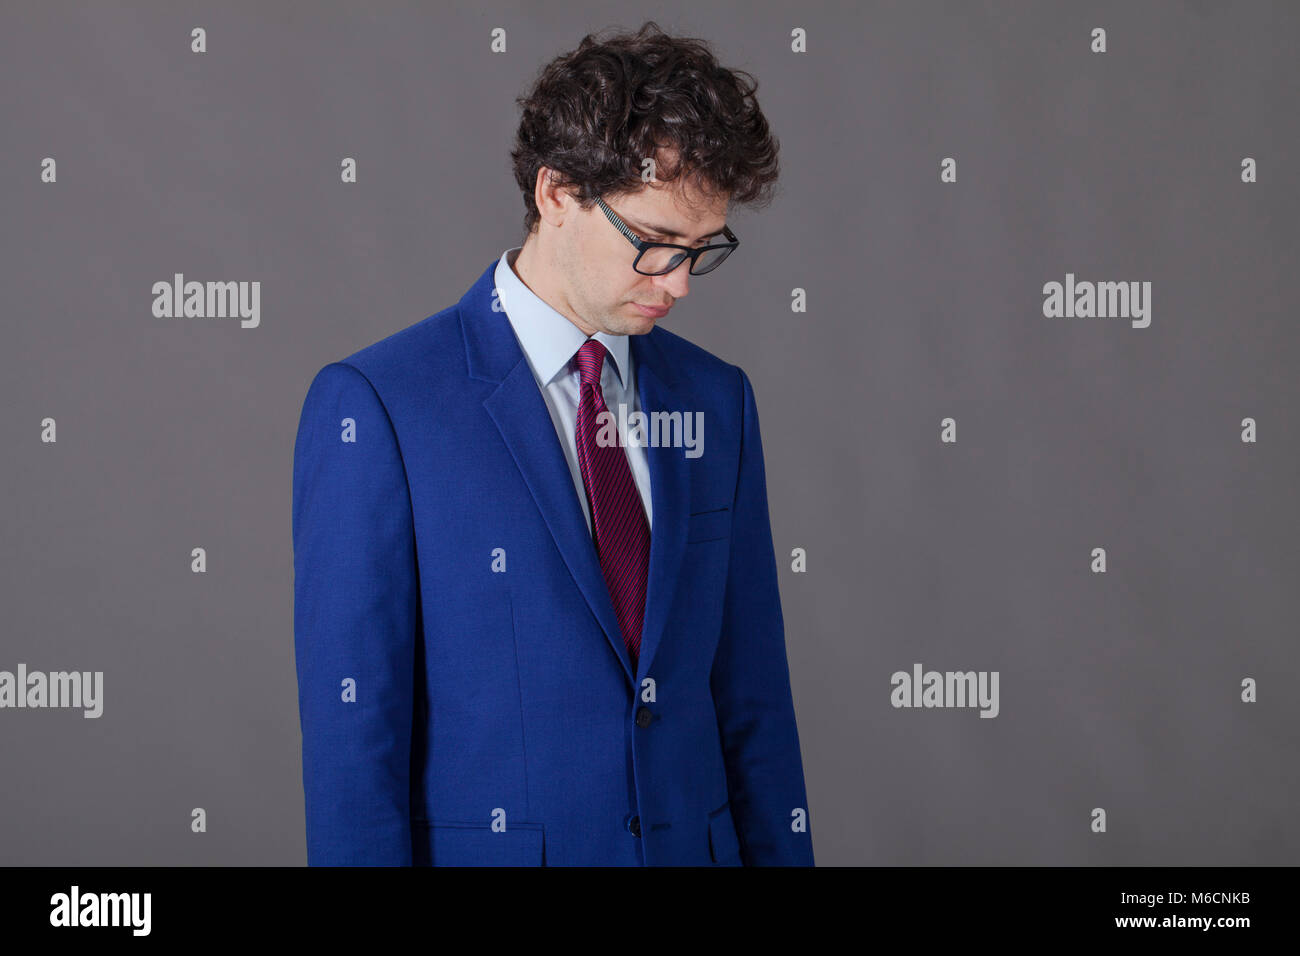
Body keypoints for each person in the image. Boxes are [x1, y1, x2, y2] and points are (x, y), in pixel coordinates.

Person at [292, 20, 813, 866]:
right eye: (652, 244)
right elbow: (356, 748)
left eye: (701, 251)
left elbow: (754, 704)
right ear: (557, 193)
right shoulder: (378, 407)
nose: (677, 283)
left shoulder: (718, 400)